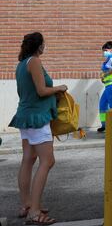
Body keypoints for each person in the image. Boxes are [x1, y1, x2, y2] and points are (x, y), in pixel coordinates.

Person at [9, 32, 67, 225]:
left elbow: (28, 91)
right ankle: (34, 211)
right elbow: (42, 91)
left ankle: (27, 204)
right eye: (44, 43)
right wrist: (59, 88)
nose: (45, 46)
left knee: (28, 158)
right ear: (38, 45)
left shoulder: (21, 63)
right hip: (37, 117)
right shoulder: (34, 61)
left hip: (25, 115)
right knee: (47, 161)